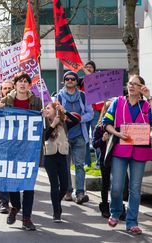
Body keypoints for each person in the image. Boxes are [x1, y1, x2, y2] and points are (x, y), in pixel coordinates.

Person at [103, 75, 152, 235]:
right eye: (130, 83)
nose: (131, 86)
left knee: (135, 189)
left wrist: (149, 97)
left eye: (136, 84)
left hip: (140, 150)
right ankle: (116, 211)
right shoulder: (118, 102)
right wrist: (117, 133)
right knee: (116, 187)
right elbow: (106, 123)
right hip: (120, 150)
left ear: (141, 88)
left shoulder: (146, 105)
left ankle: (132, 222)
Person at [0, 71, 42, 231]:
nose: (22, 84)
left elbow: (40, 124)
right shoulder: (6, 100)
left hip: (29, 149)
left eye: (25, 81)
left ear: (29, 85)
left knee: (28, 184)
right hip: (11, 148)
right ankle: (15, 206)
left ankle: (27, 218)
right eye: (20, 81)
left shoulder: (36, 101)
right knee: (12, 182)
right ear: (15, 85)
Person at [57, 71, 94, 204]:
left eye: (73, 79)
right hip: (64, 136)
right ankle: (68, 191)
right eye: (67, 78)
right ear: (64, 81)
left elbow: (90, 113)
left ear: (77, 82)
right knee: (65, 165)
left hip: (79, 135)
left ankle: (80, 193)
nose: (70, 81)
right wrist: (63, 118)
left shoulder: (84, 96)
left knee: (79, 165)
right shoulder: (59, 97)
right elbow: (54, 115)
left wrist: (79, 119)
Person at [43, 102, 80, 223]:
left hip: (62, 156)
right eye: (45, 108)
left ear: (55, 110)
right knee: (54, 185)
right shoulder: (43, 122)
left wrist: (64, 111)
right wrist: (52, 125)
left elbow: (76, 121)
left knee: (64, 186)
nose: (46, 109)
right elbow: (45, 137)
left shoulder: (64, 123)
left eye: (48, 108)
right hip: (50, 157)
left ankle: (56, 202)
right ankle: (56, 212)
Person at [92, 101, 113, 218]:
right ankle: (104, 206)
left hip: (118, 159)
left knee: (116, 185)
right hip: (105, 159)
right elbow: (94, 144)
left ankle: (117, 207)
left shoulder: (119, 126)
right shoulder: (99, 128)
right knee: (105, 184)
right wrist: (103, 140)